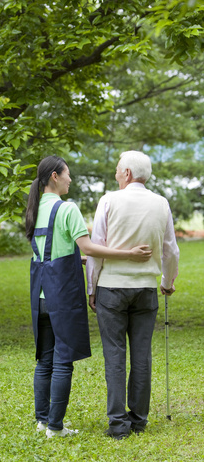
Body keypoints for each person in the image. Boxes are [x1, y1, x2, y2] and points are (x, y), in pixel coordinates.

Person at [26, 155, 152, 438]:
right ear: (55, 176)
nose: (71, 179)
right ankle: (56, 428)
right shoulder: (67, 209)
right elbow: (91, 247)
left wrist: (76, 259)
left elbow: (50, 251)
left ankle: (43, 421)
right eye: (68, 174)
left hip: (40, 296)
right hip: (62, 296)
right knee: (62, 361)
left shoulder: (34, 208)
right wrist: (128, 255)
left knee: (44, 360)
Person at [86, 150, 179, 440]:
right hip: (146, 289)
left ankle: (117, 425)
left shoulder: (109, 200)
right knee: (142, 355)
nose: (115, 174)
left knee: (114, 355)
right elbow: (170, 250)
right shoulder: (161, 203)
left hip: (112, 288)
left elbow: (96, 248)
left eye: (117, 169)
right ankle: (138, 420)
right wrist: (167, 281)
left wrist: (92, 287)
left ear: (127, 173)